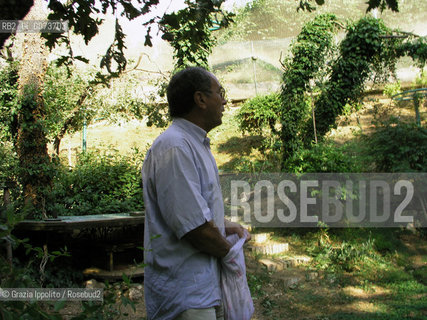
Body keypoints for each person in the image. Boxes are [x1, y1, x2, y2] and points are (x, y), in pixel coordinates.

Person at [142, 66, 250, 320]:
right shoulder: (175, 147)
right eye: (219, 92)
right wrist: (230, 254)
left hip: (202, 290)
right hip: (186, 296)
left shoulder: (195, 143)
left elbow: (190, 210)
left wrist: (225, 225)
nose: (224, 100)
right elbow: (195, 229)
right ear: (200, 99)